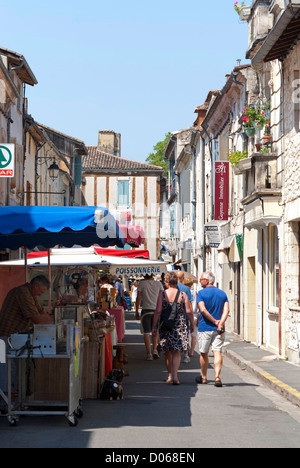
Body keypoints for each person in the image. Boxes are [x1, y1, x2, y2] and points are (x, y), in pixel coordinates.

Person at [0, 275, 53, 394]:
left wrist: (55, 325)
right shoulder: (22, 293)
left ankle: (13, 401)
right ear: (36, 286)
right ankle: (5, 404)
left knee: (15, 370)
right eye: (41, 291)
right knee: (7, 371)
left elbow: (41, 313)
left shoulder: (30, 295)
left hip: (14, 339)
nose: (40, 295)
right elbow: (36, 319)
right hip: (5, 338)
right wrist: (52, 328)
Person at [152, 271, 194, 385]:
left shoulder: (162, 294)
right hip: (179, 325)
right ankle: (176, 376)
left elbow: (158, 311)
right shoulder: (182, 295)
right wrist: (192, 324)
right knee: (176, 352)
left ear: (167, 282)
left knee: (167, 352)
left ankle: (169, 375)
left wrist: (154, 326)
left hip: (166, 325)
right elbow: (189, 311)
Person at [196, 272, 230, 388]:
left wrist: (215, 322)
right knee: (217, 351)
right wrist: (220, 323)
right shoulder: (222, 294)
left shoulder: (201, 293)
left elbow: (203, 310)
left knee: (203, 353)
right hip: (219, 329)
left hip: (205, 327)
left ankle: (204, 377)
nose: (200, 281)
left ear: (206, 280)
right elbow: (226, 310)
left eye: (201, 279)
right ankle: (217, 376)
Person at [135, 274, 164, 361]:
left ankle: (149, 354)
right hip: (156, 310)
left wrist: (136, 310)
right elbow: (162, 297)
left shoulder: (142, 284)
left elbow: (138, 297)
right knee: (155, 331)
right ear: (153, 275)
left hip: (146, 310)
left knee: (146, 332)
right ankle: (154, 350)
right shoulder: (158, 284)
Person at [176, 271, 193, 364]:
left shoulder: (170, 288)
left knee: (175, 334)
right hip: (184, 316)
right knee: (185, 335)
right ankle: (186, 355)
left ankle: (176, 354)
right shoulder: (186, 288)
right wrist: (192, 320)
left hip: (174, 316)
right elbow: (189, 304)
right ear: (182, 278)